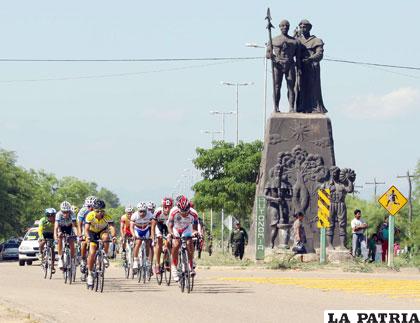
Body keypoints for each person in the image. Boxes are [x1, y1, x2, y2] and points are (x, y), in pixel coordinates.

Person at [266, 19, 300, 112]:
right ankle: (276, 107)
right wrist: (273, 57)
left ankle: (291, 108)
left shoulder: (295, 41)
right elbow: (268, 54)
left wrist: (299, 67)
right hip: (278, 65)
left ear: (289, 27)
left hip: (290, 64)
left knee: (291, 87)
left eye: (286, 25)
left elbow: (298, 57)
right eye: (283, 25)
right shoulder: (273, 40)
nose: (285, 27)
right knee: (277, 86)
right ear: (280, 27)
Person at [296, 19, 327, 113]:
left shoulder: (316, 40)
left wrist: (310, 59)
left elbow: (319, 54)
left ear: (309, 28)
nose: (302, 29)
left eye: (304, 27)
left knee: (312, 87)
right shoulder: (297, 40)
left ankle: (314, 107)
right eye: (300, 27)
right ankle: (300, 107)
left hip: (312, 67)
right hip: (300, 67)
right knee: (299, 87)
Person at [85, 199, 117, 287]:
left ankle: (105, 255)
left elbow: (112, 227)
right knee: (92, 253)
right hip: (92, 233)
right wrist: (87, 237)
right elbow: (86, 229)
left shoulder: (107, 216)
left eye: (101, 211)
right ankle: (90, 274)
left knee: (106, 237)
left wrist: (114, 236)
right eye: (97, 211)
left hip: (102, 232)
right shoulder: (90, 215)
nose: (99, 213)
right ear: (94, 210)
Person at [167, 195, 199, 282]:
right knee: (176, 244)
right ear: (178, 208)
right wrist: (171, 234)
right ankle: (174, 268)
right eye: (182, 211)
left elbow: (195, 228)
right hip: (175, 228)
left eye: (186, 211)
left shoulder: (194, 213)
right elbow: (170, 226)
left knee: (189, 242)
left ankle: (190, 265)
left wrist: (195, 232)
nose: (184, 213)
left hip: (186, 228)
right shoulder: (173, 212)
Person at [130, 202, 155, 272]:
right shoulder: (134, 216)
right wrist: (133, 235)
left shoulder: (150, 215)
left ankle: (147, 259)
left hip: (146, 230)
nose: (142, 213)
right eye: (140, 211)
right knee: (138, 242)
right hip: (137, 230)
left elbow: (153, 226)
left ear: (146, 210)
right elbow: (131, 227)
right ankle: (135, 260)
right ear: (138, 211)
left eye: (144, 211)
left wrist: (152, 236)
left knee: (147, 243)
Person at [152, 197, 173, 274]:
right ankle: (157, 264)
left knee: (169, 243)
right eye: (165, 207)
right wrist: (153, 238)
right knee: (159, 241)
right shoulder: (158, 211)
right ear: (162, 206)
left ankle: (166, 260)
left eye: (169, 207)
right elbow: (153, 226)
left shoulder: (173, 212)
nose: (167, 209)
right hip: (159, 226)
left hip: (168, 227)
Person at [54, 201, 77, 269]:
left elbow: (74, 226)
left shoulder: (72, 214)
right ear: (61, 211)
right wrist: (56, 237)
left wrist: (77, 236)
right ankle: (60, 258)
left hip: (69, 227)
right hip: (61, 227)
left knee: (71, 241)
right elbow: (56, 227)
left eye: (67, 212)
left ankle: (72, 259)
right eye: (64, 212)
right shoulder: (58, 214)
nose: (65, 214)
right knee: (60, 237)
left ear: (69, 211)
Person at [77, 195, 96, 275]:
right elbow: (79, 224)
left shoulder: (98, 211)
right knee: (84, 243)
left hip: (95, 229)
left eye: (93, 206)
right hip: (85, 228)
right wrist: (80, 235)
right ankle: (83, 259)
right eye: (89, 206)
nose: (91, 208)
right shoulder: (83, 211)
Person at [38, 208, 57, 273]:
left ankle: (52, 266)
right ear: (46, 215)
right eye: (49, 215)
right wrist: (41, 237)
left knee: (52, 249)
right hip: (44, 233)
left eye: (53, 215)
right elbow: (40, 230)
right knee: (42, 241)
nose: (51, 217)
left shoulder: (56, 220)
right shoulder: (43, 220)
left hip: (52, 234)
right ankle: (41, 253)